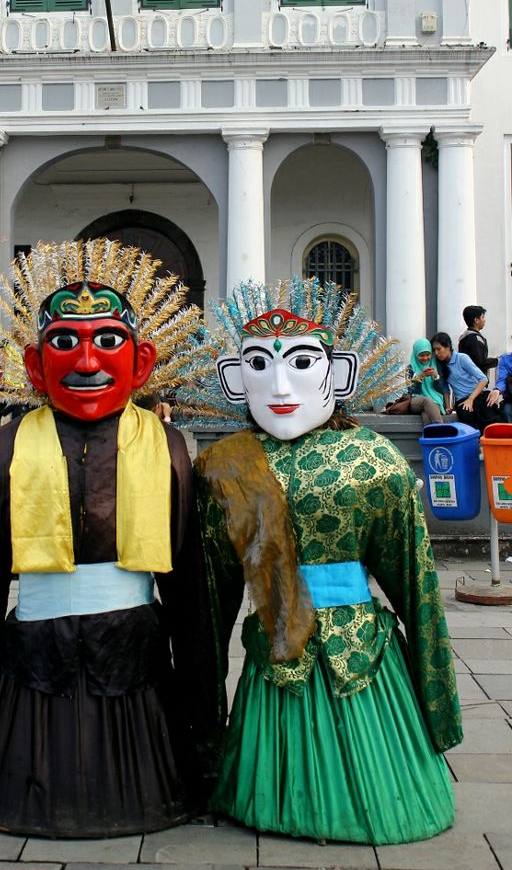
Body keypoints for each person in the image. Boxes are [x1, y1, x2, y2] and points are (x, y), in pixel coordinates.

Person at [0, 251, 217, 838]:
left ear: (141, 361)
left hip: (132, 645)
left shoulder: (165, 445)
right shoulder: (8, 447)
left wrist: (200, 685)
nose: (88, 362)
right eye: (65, 342)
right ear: (36, 366)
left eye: (109, 342)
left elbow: (188, 580)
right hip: (38, 650)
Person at [191, 284, 461, 845]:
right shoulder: (222, 466)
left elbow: (417, 588)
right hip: (277, 643)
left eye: (302, 362)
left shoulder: (374, 462)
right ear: (234, 378)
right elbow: (208, 604)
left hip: (358, 651)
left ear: (338, 374)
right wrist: (202, 717)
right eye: (259, 365)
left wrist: (438, 705)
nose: (280, 385)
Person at [431, 331, 502, 430]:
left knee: (490, 416)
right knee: (467, 417)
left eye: (439, 349)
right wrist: (447, 407)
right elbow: (445, 388)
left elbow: (483, 379)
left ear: (447, 347)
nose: (437, 353)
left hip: (478, 395)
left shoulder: (462, 358)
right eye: (434, 350)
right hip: (462, 400)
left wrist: (471, 399)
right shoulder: (440, 366)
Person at [406, 337, 445, 425]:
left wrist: (436, 377)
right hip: (415, 401)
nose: (425, 358)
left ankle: (429, 436)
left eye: (428, 354)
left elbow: (441, 390)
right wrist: (419, 378)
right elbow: (410, 391)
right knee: (427, 401)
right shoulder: (410, 368)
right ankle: (441, 428)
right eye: (421, 355)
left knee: (426, 415)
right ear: (416, 355)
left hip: (434, 400)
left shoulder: (436, 366)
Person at [458, 305, 498, 377]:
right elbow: (480, 362)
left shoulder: (466, 337)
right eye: (482, 317)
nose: (484, 320)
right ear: (476, 320)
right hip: (475, 381)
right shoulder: (474, 338)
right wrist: (497, 361)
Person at [495, 349, 512, 424]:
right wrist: (497, 389)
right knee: (506, 412)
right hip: (510, 399)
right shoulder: (506, 359)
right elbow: (502, 379)